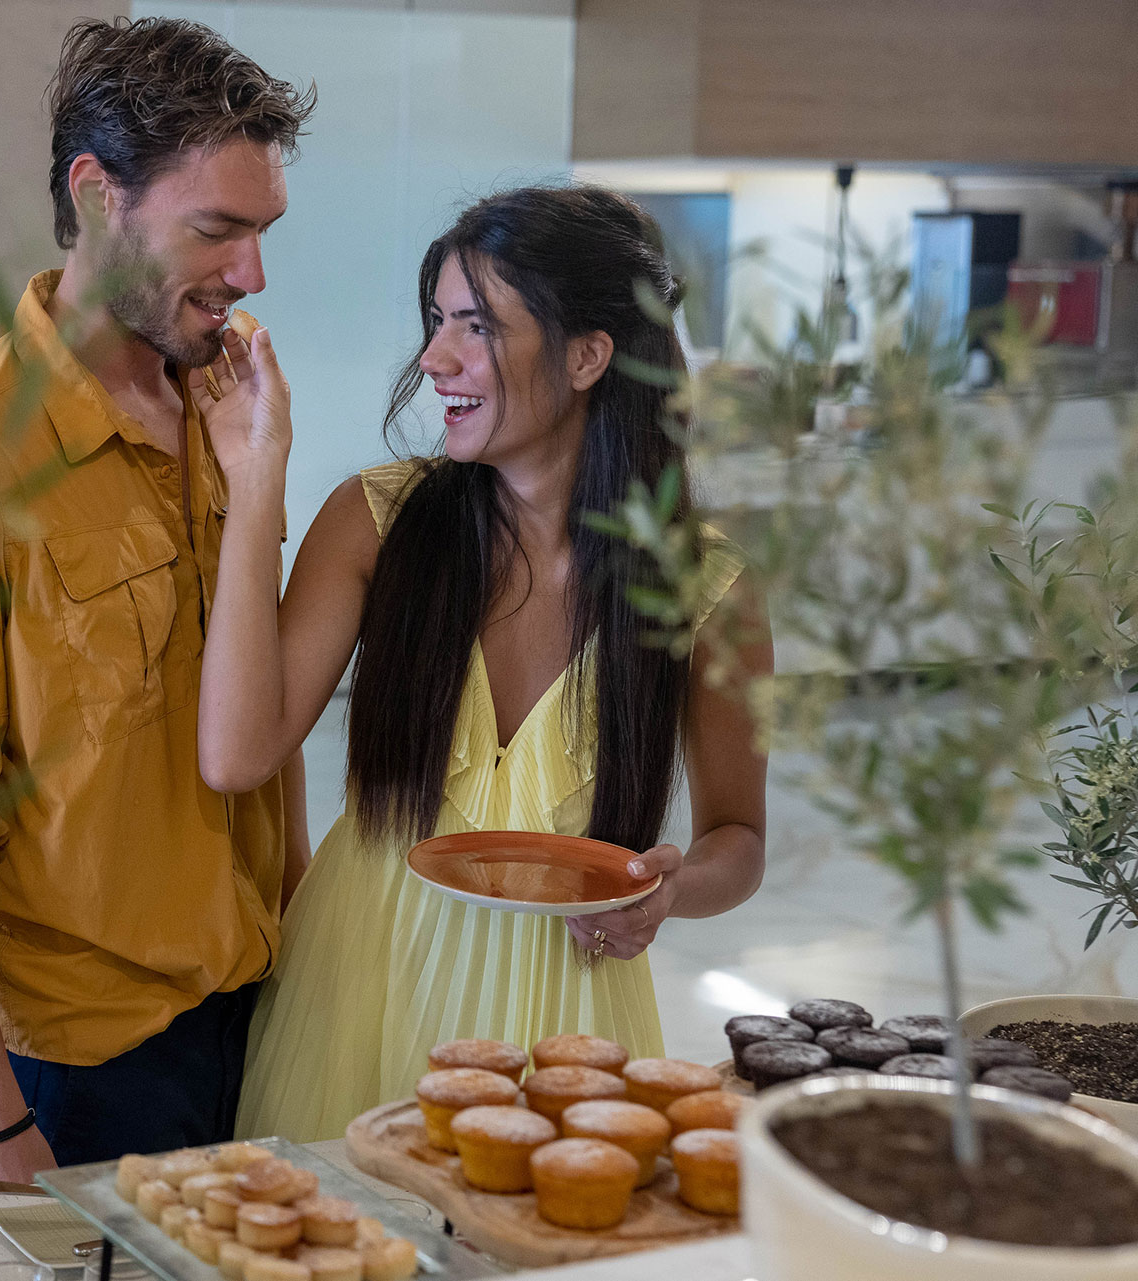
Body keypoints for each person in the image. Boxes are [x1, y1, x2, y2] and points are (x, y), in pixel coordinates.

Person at [190, 187, 773, 1142]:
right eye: (435, 322)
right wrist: (257, 477)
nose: (434, 358)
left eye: (476, 325)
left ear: (588, 354)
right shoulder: (374, 522)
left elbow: (739, 838)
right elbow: (238, 752)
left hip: (565, 1008)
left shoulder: (707, 591)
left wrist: (672, 889)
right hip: (357, 982)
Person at [0, 17, 316, 1186]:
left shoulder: (228, 404)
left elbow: (257, 722)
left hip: (252, 1012)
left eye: (262, 231)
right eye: (218, 229)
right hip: (81, 1068)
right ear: (98, 193)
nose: (252, 273)